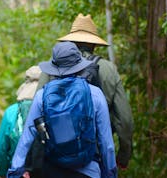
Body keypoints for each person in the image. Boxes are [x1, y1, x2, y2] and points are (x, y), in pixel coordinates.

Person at [36, 14, 133, 169]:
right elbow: (125, 120)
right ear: (94, 45)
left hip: (56, 155)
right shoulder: (108, 69)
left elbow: (37, 113)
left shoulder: (52, 68)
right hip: (94, 156)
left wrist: (36, 158)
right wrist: (124, 155)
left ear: (70, 41)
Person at [7, 42, 117, 178]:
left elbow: (27, 137)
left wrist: (14, 171)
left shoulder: (42, 95)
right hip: (88, 171)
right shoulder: (94, 94)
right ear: (79, 67)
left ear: (54, 67)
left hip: (53, 170)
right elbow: (106, 143)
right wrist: (110, 173)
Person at [0, 66, 41, 178]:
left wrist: (2, 172)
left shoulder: (11, 112)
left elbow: (2, 148)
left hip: (17, 171)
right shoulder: (50, 109)